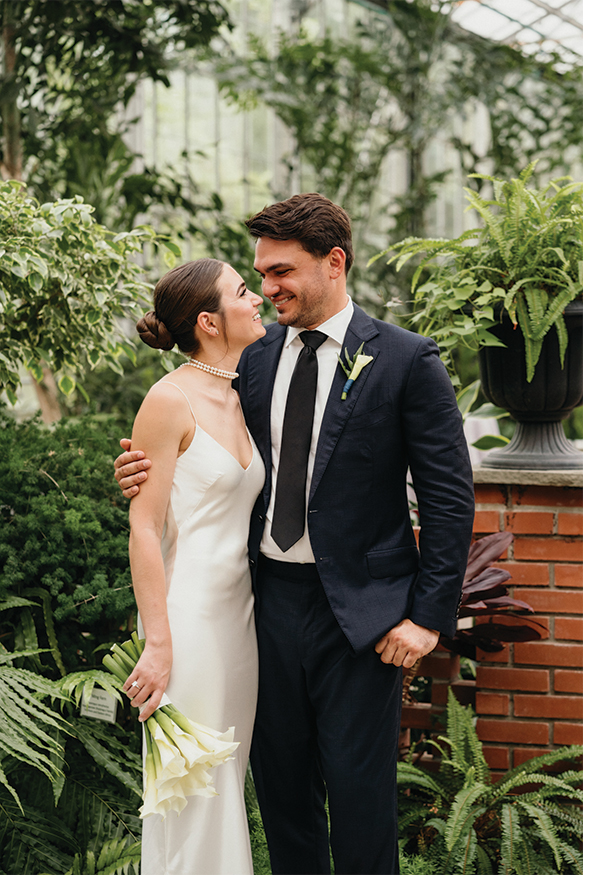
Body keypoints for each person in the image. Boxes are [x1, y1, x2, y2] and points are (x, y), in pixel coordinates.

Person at [116, 194, 476, 873]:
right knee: (284, 798)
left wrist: (428, 619)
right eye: (258, 274)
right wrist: (141, 469)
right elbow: (201, 456)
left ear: (333, 262)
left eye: (280, 271)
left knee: (360, 796)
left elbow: (451, 498)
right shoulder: (251, 359)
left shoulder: (404, 360)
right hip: (262, 607)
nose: (268, 288)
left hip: (360, 617)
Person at [124, 257, 266, 874]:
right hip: (186, 624)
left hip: (241, 622)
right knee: (193, 794)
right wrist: (157, 643)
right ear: (209, 321)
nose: (257, 296)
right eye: (242, 291)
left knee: (223, 786)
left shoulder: (241, 390)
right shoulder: (168, 399)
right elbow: (144, 526)